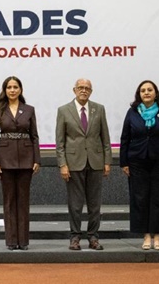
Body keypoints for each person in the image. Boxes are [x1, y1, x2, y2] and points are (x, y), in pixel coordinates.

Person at [119, 80, 159, 251]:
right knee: (140, 198)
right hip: (137, 162)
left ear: (155, 93)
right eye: (143, 90)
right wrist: (124, 162)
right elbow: (125, 138)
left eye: (149, 90)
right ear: (139, 94)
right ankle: (145, 235)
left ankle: (157, 235)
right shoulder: (132, 113)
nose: (146, 92)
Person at [55, 78, 111, 251]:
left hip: (95, 162)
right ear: (74, 90)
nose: (84, 90)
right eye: (80, 87)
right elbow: (60, 142)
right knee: (75, 204)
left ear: (91, 91)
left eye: (87, 88)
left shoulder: (99, 109)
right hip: (73, 163)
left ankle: (93, 237)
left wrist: (107, 161)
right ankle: (75, 237)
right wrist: (62, 164)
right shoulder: (64, 110)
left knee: (95, 204)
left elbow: (105, 138)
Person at [0, 76, 40, 251]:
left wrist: (36, 159)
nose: (12, 90)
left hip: (26, 158)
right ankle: (11, 241)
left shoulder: (29, 110)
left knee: (23, 200)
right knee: (9, 200)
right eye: (9, 87)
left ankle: (23, 241)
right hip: (5, 159)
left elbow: (34, 136)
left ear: (20, 89)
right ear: (5, 90)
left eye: (15, 87)